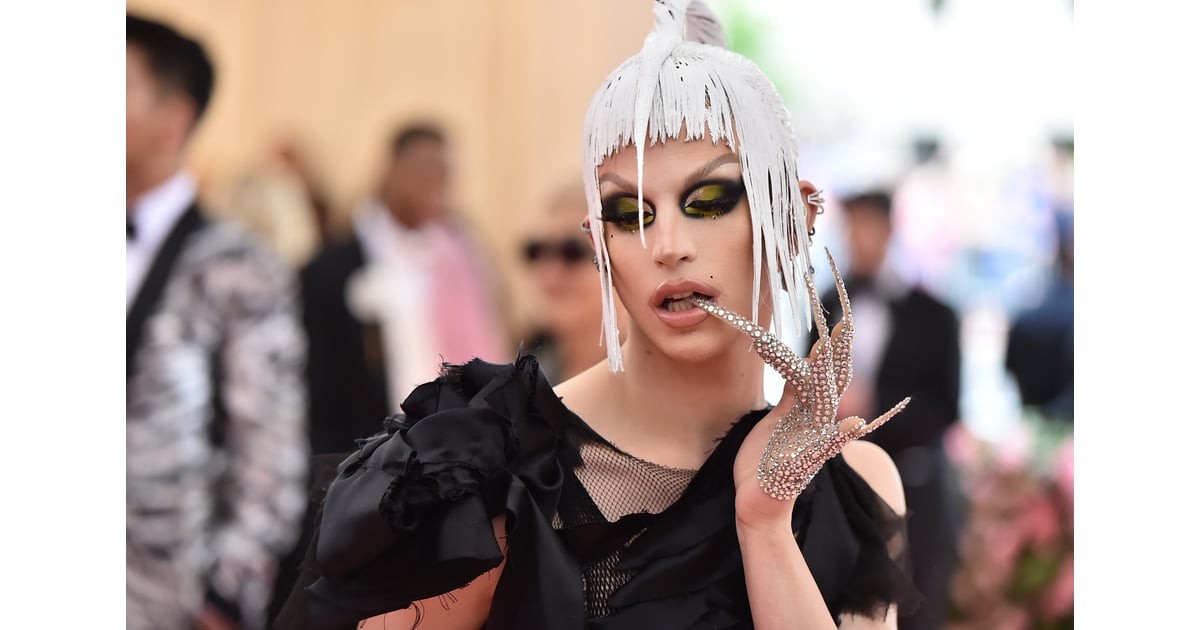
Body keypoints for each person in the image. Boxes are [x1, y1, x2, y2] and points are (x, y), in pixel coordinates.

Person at [277, 2, 919, 628]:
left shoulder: (855, 487)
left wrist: (765, 526)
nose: (668, 245)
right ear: (598, 241)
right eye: (630, 214)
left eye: (709, 200)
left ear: (794, 218)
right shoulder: (495, 475)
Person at [126, 14, 309, 630]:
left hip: (160, 602)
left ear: (172, 119)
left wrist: (225, 599)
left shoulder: (240, 267)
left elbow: (269, 455)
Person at [300, 122, 509, 456]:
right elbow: (320, 387)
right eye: (423, 168)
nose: (434, 181)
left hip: (455, 451)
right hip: (368, 455)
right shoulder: (332, 269)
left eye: (443, 171)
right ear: (391, 170)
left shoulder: (460, 257)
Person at [814, 190, 962, 630]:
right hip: (841, 488)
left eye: (866, 226)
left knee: (918, 607)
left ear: (888, 230)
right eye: (850, 228)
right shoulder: (825, 303)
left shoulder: (934, 313)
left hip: (914, 485)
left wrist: (875, 406)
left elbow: (947, 406)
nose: (857, 238)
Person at [516, 178, 624, 383]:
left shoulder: (661, 381)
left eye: (572, 252)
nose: (549, 271)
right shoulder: (522, 379)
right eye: (536, 251)